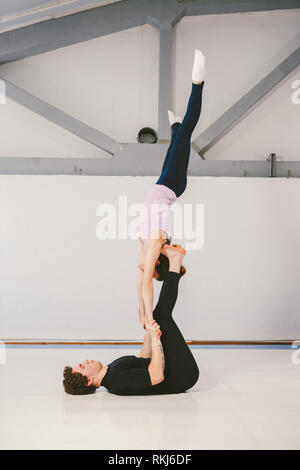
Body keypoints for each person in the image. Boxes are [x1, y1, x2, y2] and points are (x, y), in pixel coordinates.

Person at [63, 246, 199, 396]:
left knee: (156, 316)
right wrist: (155, 338)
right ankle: (175, 262)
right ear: (89, 380)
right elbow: (156, 376)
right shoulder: (116, 381)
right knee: (161, 317)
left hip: (176, 370)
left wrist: (148, 327)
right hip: (182, 374)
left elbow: (144, 359)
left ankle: (173, 266)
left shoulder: (111, 371)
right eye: (82, 366)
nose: (86, 361)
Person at [137, 49, 206, 328]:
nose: (144, 269)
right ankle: (198, 84)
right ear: (157, 265)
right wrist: (150, 315)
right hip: (172, 185)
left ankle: (175, 125)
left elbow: (140, 279)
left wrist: (141, 312)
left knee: (177, 140)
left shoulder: (148, 247)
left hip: (164, 184)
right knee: (188, 133)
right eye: (152, 272)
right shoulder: (156, 241)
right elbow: (145, 284)